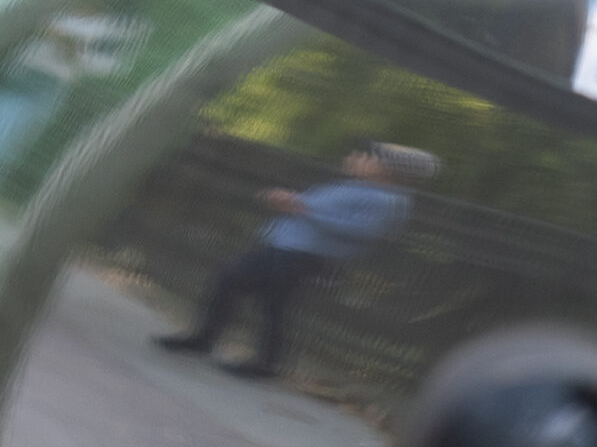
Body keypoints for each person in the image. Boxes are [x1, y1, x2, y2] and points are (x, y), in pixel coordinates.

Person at [156, 142, 436, 380]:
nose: (359, 159)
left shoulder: (388, 200)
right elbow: (310, 208)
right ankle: (205, 338)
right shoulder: (353, 186)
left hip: (306, 255)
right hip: (283, 246)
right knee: (229, 282)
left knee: (273, 304)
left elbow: (363, 232)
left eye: (370, 158)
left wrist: (302, 208)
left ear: (391, 171)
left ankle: (265, 363)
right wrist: (289, 201)